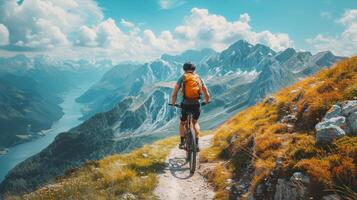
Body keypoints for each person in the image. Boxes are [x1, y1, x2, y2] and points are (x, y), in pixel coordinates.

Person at [171, 62, 210, 151]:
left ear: (184, 69)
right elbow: (206, 91)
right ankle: (196, 144)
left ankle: (182, 142)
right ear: (194, 69)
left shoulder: (182, 78)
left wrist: (173, 103)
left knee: (182, 123)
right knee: (195, 122)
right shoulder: (198, 78)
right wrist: (207, 101)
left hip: (185, 104)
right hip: (196, 104)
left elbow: (174, 93)